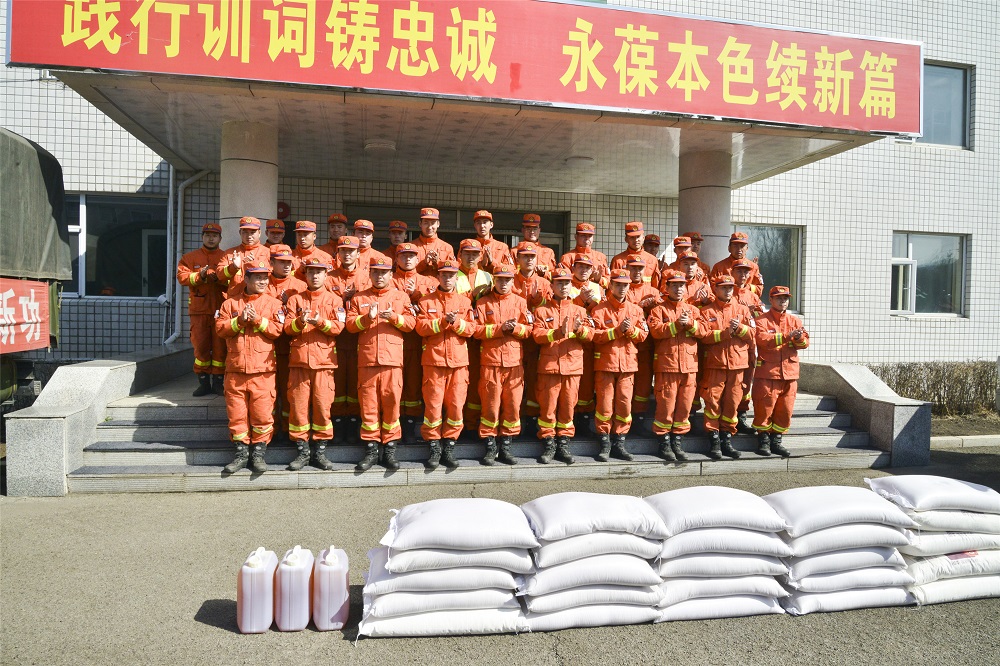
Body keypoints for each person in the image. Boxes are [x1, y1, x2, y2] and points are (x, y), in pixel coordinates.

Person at [348, 256, 416, 471]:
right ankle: (371, 450)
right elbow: (350, 325)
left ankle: (390, 449)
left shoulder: (401, 297)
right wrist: (367, 318)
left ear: (391, 275)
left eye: (384, 272)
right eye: (375, 272)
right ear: (370, 274)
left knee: (392, 404)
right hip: (367, 361)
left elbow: (411, 324)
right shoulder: (359, 298)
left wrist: (394, 317)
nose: (379, 276)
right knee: (368, 406)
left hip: (392, 361)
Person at [216, 260, 284, 474]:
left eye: (265, 278)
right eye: (258, 277)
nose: (263, 281)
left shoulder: (274, 304)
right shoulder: (229, 304)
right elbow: (220, 329)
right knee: (237, 415)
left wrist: (257, 320)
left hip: (263, 371)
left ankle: (258, 454)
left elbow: (277, 330)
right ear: (246, 278)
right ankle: (241, 454)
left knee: (262, 415)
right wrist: (239, 321)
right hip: (235, 370)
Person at [283, 257, 346, 471]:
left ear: (326, 275)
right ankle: (302, 452)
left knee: (322, 407)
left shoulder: (334, 300)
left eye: (319, 272)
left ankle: (320, 451)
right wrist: (300, 321)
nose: (315, 276)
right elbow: (287, 328)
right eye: (311, 272)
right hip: (299, 363)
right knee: (298, 408)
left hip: (324, 364)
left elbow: (338, 328)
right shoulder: (295, 300)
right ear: (305, 275)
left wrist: (319, 322)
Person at [414, 259, 477, 469]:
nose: (447, 278)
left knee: (456, 406)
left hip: (458, 363)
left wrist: (455, 322)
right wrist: (442, 322)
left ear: (456, 278)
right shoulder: (426, 302)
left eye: (451, 275)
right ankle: (434, 446)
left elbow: (472, 329)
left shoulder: (465, 302)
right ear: (438, 276)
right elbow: (420, 328)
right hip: (434, 361)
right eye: (444, 275)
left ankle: (449, 445)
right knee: (433, 406)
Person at [532, 267, 594, 464]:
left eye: (566, 283)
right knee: (548, 407)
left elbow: (591, 336)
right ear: (552, 286)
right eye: (559, 283)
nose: (563, 286)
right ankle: (548, 444)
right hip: (549, 366)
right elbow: (537, 335)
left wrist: (579, 329)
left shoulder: (580, 311)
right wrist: (558, 332)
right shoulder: (541, 311)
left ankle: (564, 443)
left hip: (572, 367)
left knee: (568, 407)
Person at [473, 264, 533, 465]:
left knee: (513, 405)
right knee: (490, 405)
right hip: (490, 362)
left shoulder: (520, 302)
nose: (503, 283)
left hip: (514, 363)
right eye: (500, 279)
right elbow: (476, 331)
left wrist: (515, 329)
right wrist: (500, 328)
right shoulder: (483, 303)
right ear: (494, 280)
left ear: (512, 281)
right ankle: (490, 446)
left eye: (507, 280)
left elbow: (529, 330)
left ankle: (506, 445)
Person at [590, 268, 648, 461]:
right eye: (618, 285)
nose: (622, 288)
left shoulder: (636, 310)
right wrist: (616, 331)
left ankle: (619, 443)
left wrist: (630, 330)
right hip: (606, 364)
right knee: (604, 406)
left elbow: (643, 335)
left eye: (625, 285)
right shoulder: (599, 309)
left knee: (624, 405)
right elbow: (594, 336)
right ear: (611, 286)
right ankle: (604, 443)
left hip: (628, 365)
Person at [697, 274, 755, 460]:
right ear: (715, 289)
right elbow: (703, 337)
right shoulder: (706, 311)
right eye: (724, 287)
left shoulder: (743, 310)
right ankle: (714, 440)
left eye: (730, 287)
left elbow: (753, 334)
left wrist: (740, 329)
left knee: (732, 403)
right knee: (713, 403)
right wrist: (724, 333)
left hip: (737, 365)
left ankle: (727, 439)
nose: (728, 290)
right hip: (715, 364)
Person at [646, 269, 700, 461]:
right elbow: (655, 331)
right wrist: (676, 325)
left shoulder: (693, 310)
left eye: (681, 285)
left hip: (689, 366)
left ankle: (677, 442)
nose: (678, 289)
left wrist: (691, 324)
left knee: (684, 406)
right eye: (674, 285)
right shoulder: (658, 310)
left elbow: (705, 331)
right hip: (667, 366)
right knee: (665, 406)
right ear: (667, 288)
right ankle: (664, 443)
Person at [752, 286, 809, 458]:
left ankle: (776, 441)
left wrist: (798, 338)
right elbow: (762, 339)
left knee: (785, 409)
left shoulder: (794, 320)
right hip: (768, 372)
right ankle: (763, 440)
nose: (783, 301)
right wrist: (786, 336)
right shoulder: (762, 320)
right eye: (779, 298)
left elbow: (805, 343)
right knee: (764, 407)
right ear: (771, 300)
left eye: (785, 298)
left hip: (790, 373)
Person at [390, 242, 439, 440]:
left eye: (411, 256)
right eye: (403, 256)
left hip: (418, 341)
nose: (407, 259)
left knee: (413, 384)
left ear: (418, 259)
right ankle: (393, 426)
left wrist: (417, 295)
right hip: (392, 341)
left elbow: (436, 304)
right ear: (396, 259)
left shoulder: (428, 281)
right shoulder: (388, 280)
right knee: (392, 387)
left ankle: (409, 426)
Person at [326, 236, 371, 442]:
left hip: (358, 340)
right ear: (338, 253)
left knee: (355, 384)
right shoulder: (329, 278)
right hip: (334, 341)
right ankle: (336, 424)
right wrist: (343, 299)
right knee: (336, 384)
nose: (347, 254)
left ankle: (353, 424)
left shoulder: (366, 278)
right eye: (343, 251)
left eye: (351, 251)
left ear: (358, 253)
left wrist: (354, 299)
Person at [176, 221, 226, 396]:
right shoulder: (190, 257)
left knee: (220, 347)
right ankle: (203, 382)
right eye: (208, 235)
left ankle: (218, 383)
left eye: (214, 236)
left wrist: (219, 278)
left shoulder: (225, 256)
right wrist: (200, 276)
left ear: (220, 238)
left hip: (221, 309)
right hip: (199, 310)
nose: (211, 239)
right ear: (202, 237)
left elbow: (233, 278)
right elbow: (182, 277)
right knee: (201, 346)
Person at [266, 244, 306, 440]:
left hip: (290, 348)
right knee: (268, 394)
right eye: (282, 262)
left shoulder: (300, 286)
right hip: (265, 350)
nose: (287, 266)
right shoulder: (262, 283)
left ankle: (287, 429)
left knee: (290, 392)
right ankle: (271, 431)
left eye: (289, 262)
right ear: (271, 262)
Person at [455, 238, 492, 430]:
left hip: (482, 336)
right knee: (459, 383)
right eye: (467, 253)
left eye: (475, 254)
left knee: (479, 380)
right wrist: (472, 295)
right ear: (459, 255)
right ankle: (461, 423)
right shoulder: (452, 275)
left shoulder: (488, 276)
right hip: (459, 336)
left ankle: (473, 422)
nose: (471, 257)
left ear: (480, 256)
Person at [512, 242, 552, 418]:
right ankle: (515, 416)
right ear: (518, 259)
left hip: (536, 340)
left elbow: (551, 310)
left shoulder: (544, 283)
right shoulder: (509, 280)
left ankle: (531, 417)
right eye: (525, 256)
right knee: (513, 381)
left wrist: (537, 300)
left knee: (535, 379)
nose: (529, 260)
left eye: (532, 257)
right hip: (514, 339)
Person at [624, 256, 661, 422]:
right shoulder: (621, 288)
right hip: (625, 345)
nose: (636, 271)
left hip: (646, 344)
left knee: (644, 383)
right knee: (624, 385)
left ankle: (639, 418)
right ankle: (624, 417)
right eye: (633, 268)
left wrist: (653, 305)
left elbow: (661, 315)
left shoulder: (653, 291)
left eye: (640, 268)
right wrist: (640, 306)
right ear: (627, 269)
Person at [732, 258, 766, 434]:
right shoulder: (726, 291)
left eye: (746, 272)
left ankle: (742, 415)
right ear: (732, 273)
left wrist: (756, 311)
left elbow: (760, 320)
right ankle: (727, 417)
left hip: (748, 344)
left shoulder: (753, 296)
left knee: (746, 381)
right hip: (729, 345)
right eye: (739, 271)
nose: (743, 275)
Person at [568, 255, 603, 417]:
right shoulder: (566, 285)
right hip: (570, 340)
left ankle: (584, 416)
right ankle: (571, 414)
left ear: (591, 270)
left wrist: (590, 304)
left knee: (587, 381)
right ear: (573, 268)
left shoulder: (597, 287)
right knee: (570, 382)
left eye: (587, 267)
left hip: (590, 339)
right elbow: (564, 309)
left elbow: (601, 311)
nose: (583, 270)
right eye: (580, 266)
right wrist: (581, 300)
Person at [216, 216, 272, 297]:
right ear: (240, 233)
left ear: (259, 233)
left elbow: (273, 278)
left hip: (260, 299)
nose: (249, 236)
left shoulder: (268, 253)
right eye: (245, 232)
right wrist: (234, 267)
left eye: (252, 232)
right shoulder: (229, 253)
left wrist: (255, 265)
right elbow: (220, 276)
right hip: (235, 299)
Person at [610, 220, 660, 286]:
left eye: (638, 236)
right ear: (626, 239)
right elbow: (612, 287)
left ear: (643, 238)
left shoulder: (653, 260)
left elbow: (655, 286)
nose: (636, 240)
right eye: (632, 237)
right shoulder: (618, 260)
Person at [561, 222, 609, 288]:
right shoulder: (567, 257)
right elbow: (563, 279)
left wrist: (598, 279)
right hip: (575, 292)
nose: (587, 238)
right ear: (576, 237)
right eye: (583, 235)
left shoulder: (601, 257)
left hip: (595, 292)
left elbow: (608, 282)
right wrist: (584, 277)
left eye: (590, 236)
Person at [414, 207, 456, 277]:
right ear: (420, 224)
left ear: (438, 224)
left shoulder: (447, 247)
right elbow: (407, 272)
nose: (429, 227)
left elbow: (451, 275)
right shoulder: (412, 246)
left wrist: (437, 262)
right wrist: (424, 263)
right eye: (426, 223)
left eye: (433, 223)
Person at [471, 209, 513, 274]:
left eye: (485, 222)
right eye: (478, 223)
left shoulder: (502, 246)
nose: (482, 226)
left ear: (491, 225)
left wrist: (492, 261)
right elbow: (461, 267)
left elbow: (510, 270)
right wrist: (481, 264)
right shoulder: (469, 245)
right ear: (475, 225)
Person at [520, 213, 556, 278]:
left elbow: (554, 275)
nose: (532, 232)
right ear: (522, 230)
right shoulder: (515, 251)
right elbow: (511, 272)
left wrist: (544, 274)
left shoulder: (548, 252)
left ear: (539, 230)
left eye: (535, 228)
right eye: (528, 228)